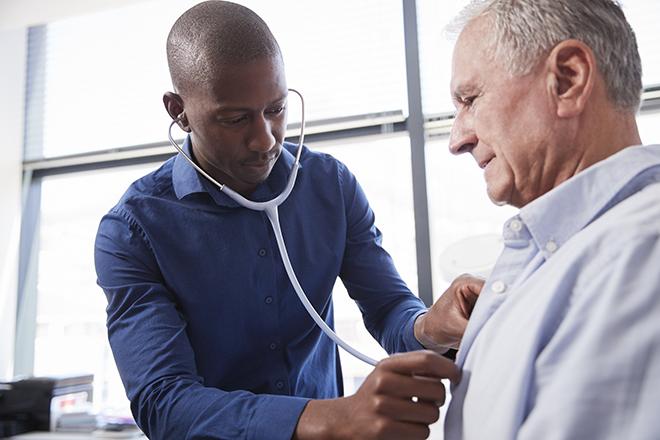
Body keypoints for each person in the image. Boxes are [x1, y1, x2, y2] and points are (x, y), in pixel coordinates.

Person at [95, 2, 484, 439]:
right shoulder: (132, 230)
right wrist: (332, 417)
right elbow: (163, 401)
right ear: (178, 111)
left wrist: (432, 325)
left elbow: (390, 309)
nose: (264, 139)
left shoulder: (329, 185)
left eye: (275, 109)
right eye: (234, 118)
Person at [443, 0, 660, 438]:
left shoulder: (642, 256)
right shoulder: (563, 253)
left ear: (568, 80)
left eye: (470, 100)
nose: (457, 139)